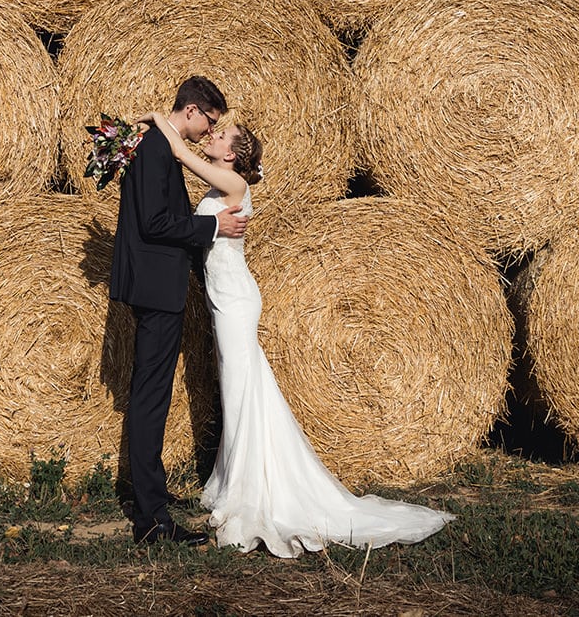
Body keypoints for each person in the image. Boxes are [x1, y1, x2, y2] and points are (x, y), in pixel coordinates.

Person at [140, 110, 454, 557]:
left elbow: (178, 151)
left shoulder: (235, 186)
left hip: (236, 304)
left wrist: (158, 118)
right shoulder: (220, 186)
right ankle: (236, 481)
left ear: (230, 154)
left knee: (240, 390)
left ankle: (251, 492)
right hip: (224, 301)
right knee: (240, 392)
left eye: (220, 134)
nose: (211, 136)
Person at [110, 75, 249, 545]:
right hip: (156, 290)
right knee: (151, 399)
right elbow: (155, 222)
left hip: (157, 287)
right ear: (191, 111)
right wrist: (210, 229)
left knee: (152, 395)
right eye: (209, 120)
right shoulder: (154, 150)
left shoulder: (158, 146)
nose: (211, 131)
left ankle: (151, 500)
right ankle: (152, 521)